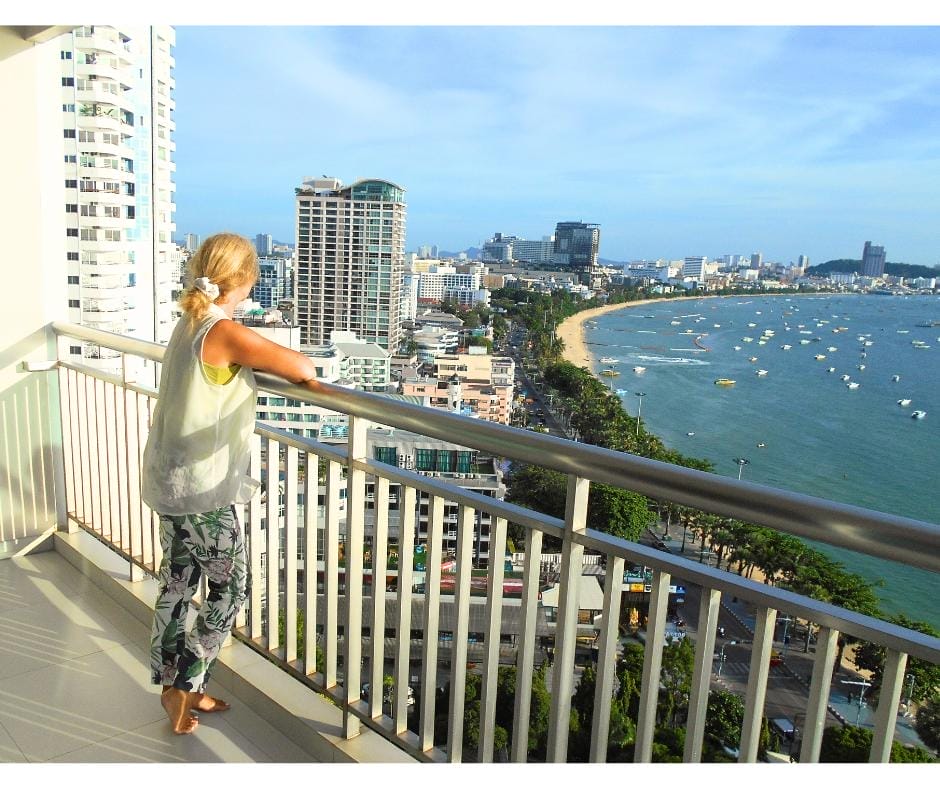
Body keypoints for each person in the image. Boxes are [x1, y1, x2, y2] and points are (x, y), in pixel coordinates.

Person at [141, 232, 323, 735]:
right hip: (202, 490)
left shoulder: (191, 320)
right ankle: (185, 685)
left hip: (169, 480)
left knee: (178, 585)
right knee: (230, 589)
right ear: (242, 279)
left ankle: (173, 686)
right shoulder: (222, 331)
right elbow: (302, 367)